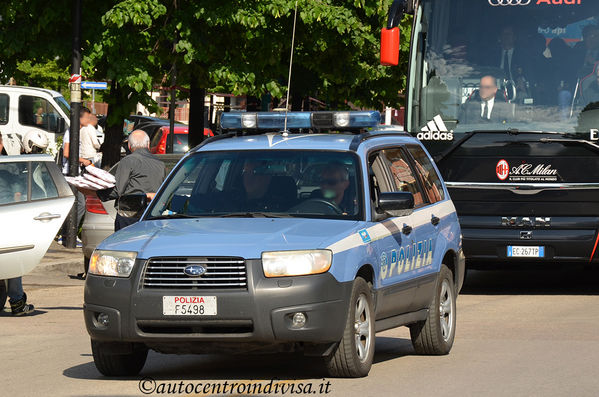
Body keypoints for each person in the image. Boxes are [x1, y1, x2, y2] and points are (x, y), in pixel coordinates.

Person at [96, 129, 166, 231]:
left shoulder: (128, 160)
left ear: (129, 145)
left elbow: (118, 190)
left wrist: (98, 193)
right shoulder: (160, 164)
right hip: (151, 215)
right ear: (148, 144)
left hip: (129, 214)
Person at [0, 136, 34, 315]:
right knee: (13, 260)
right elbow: (18, 196)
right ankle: (17, 302)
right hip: (6, 219)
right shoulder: (9, 166)